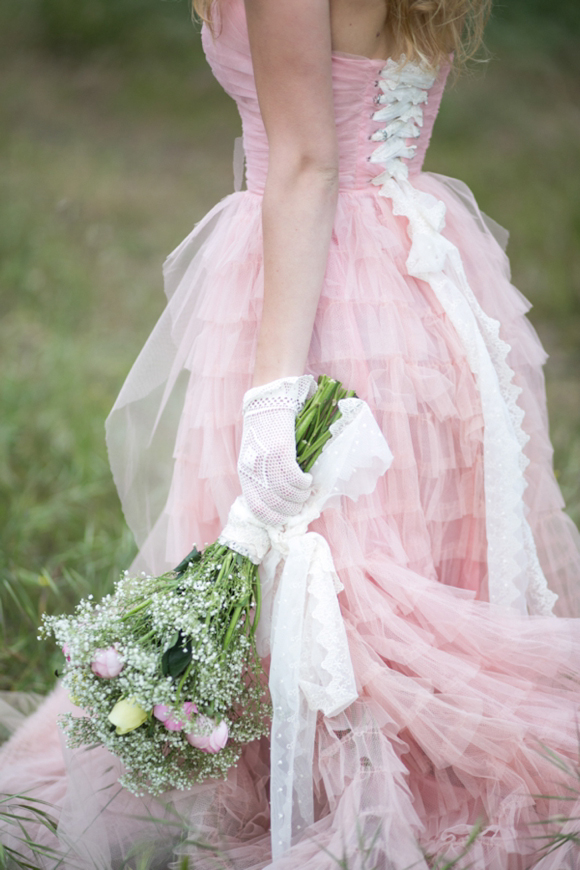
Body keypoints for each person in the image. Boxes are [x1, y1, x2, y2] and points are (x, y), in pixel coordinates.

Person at [2, 0, 580, 867]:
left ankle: (350, 801)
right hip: (424, 279)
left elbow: (308, 164)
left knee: (326, 573)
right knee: (380, 565)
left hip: (323, 293)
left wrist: (275, 395)